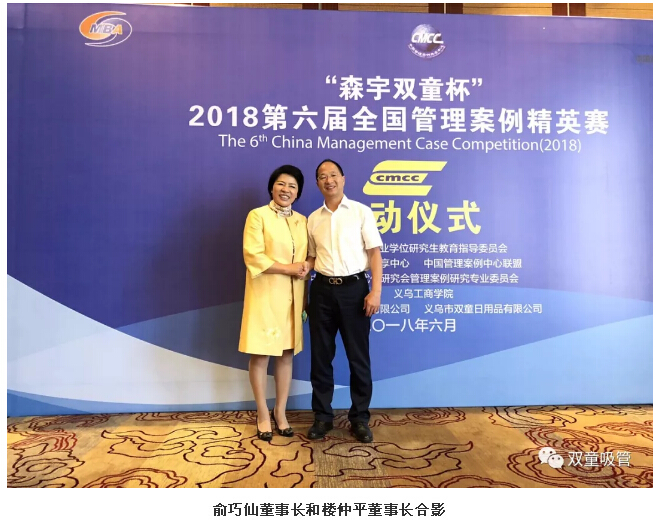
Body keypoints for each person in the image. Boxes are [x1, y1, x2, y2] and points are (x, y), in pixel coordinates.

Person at [305, 159, 383, 443]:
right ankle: (322, 417)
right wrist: (303, 286)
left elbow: (374, 254)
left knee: (358, 358)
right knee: (320, 358)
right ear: (317, 183)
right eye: (322, 177)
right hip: (322, 291)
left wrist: (375, 292)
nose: (329, 180)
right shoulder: (313, 219)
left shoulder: (361, 212)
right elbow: (311, 258)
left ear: (343, 178)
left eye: (333, 175)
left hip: (355, 290)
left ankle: (360, 418)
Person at [238, 165, 309, 442]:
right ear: (271, 187)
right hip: (265, 296)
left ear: (298, 193)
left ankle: (280, 412)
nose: (286, 190)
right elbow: (253, 256)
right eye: (281, 184)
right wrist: (290, 268)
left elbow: (311, 254)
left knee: (286, 354)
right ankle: (262, 413)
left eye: (292, 186)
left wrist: (306, 266)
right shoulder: (258, 216)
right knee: (261, 354)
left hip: (294, 296)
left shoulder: (302, 221)